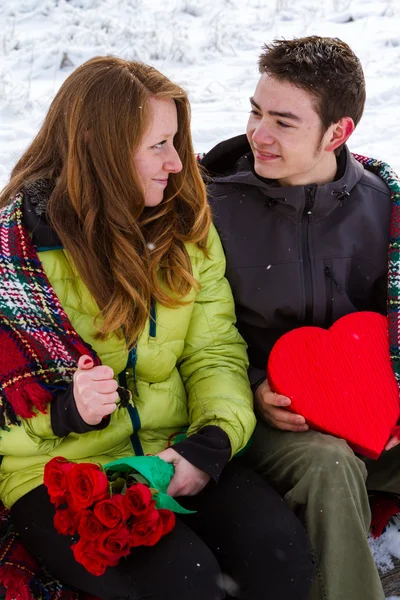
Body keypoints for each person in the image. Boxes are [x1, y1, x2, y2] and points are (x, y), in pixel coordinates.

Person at [0, 56, 313, 600]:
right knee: (184, 582)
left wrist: (211, 441)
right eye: (157, 145)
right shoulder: (16, 256)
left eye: (175, 140)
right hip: (59, 472)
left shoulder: (183, 229)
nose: (176, 162)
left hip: (171, 450)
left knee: (279, 555)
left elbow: (214, 351)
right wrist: (61, 410)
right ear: (102, 147)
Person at [201, 36, 400, 600]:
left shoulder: (383, 205)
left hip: (370, 412)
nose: (258, 134)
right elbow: (189, 337)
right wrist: (255, 388)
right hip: (265, 419)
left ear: (337, 133)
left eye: (284, 122)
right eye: (256, 111)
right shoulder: (210, 208)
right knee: (329, 467)